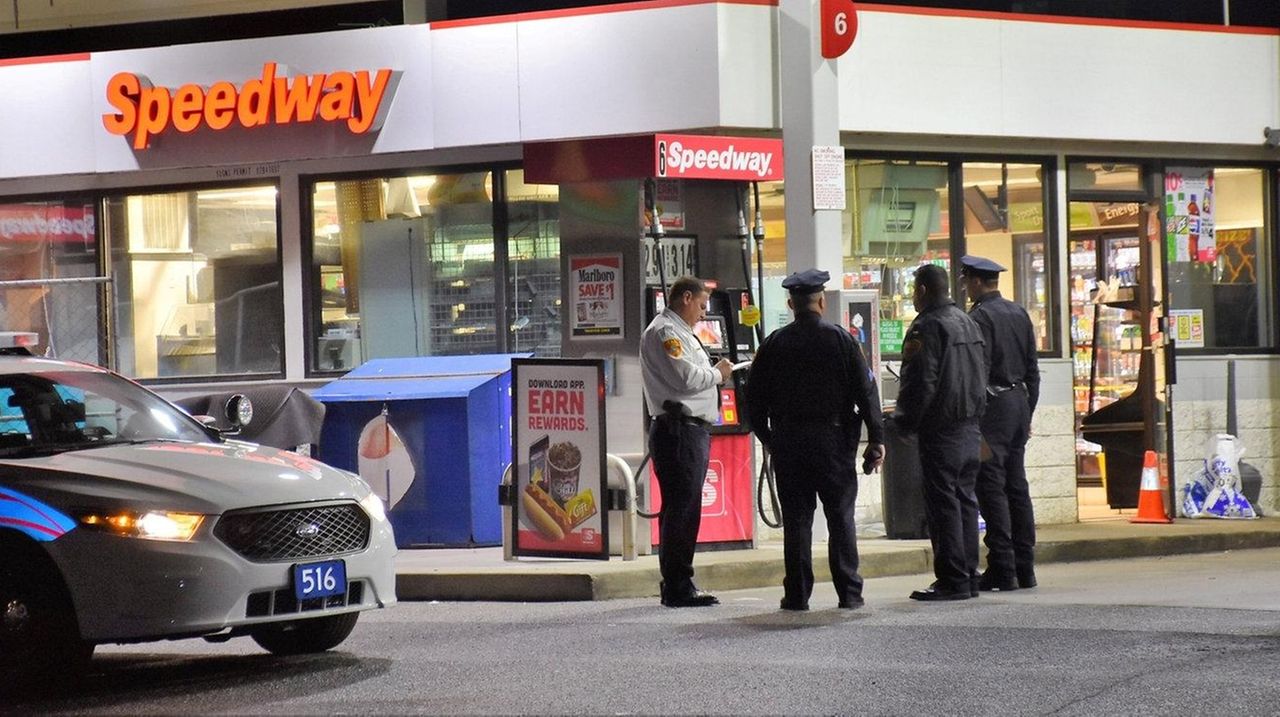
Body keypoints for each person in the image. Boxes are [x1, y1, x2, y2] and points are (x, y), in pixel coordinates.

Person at [745, 269, 884, 611]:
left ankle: (797, 595)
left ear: (791, 304)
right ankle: (849, 593)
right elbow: (866, 392)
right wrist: (876, 438)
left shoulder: (773, 343)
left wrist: (771, 439)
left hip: (789, 444)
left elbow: (752, 402)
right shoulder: (841, 340)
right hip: (833, 442)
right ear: (821, 301)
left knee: (797, 522)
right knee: (840, 518)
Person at [891, 263, 988, 601]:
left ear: (921, 291)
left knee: (943, 502)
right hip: (970, 426)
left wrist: (904, 421)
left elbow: (920, 381)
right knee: (965, 500)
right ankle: (968, 575)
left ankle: (952, 578)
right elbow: (982, 374)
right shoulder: (968, 322)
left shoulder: (927, 327)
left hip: (942, 428)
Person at [640, 275, 733, 607]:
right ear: (686, 298)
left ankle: (680, 581)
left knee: (685, 509)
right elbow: (687, 377)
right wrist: (719, 373)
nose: (705, 313)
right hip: (678, 431)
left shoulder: (682, 332)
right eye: (703, 305)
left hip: (689, 430)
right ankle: (678, 585)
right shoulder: (666, 332)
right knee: (681, 510)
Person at [960, 255, 1041, 591]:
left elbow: (978, 373)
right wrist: (1027, 411)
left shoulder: (979, 317)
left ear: (977, 282)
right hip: (1019, 405)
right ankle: (1026, 567)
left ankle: (1002, 568)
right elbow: (1033, 369)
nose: (965, 287)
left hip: (993, 410)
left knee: (991, 488)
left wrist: (974, 421)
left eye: (967, 281)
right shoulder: (1019, 312)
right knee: (1017, 486)